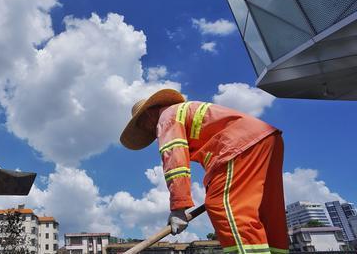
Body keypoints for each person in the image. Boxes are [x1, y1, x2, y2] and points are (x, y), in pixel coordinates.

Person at [121, 89, 288, 254]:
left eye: (143, 125)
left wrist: (178, 208)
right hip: (266, 139)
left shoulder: (166, 118)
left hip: (238, 146)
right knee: (265, 209)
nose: (150, 132)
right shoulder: (183, 112)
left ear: (148, 114)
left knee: (223, 206)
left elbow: (175, 161)